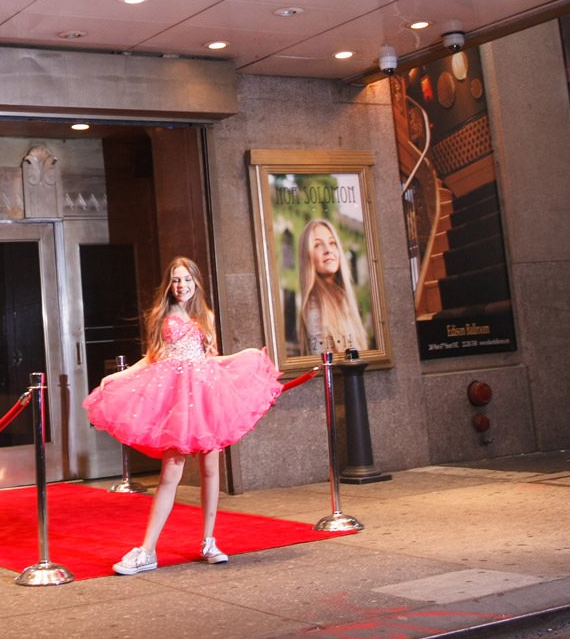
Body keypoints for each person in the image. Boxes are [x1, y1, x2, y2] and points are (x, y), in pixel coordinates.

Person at [83, 256, 283, 575]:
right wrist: (117, 377)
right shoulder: (163, 316)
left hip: (207, 395)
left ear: (196, 282)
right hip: (178, 399)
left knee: (210, 470)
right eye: (176, 280)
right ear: (169, 284)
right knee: (170, 473)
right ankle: (147, 549)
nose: (181, 286)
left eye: (187, 280)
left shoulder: (206, 316)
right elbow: (152, 358)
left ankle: (208, 541)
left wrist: (246, 360)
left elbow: (211, 359)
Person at [297, 218, 367, 357]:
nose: (328, 250)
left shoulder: (344, 298)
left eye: (332, 243)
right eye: (317, 245)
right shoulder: (314, 304)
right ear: (308, 256)